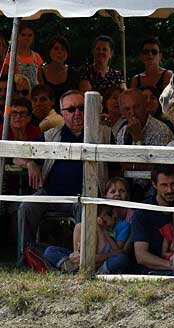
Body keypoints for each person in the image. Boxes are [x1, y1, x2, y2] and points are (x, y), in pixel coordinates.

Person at [15, 90, 111, 267]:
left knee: (86, 208)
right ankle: (25, 260)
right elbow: (15, 155)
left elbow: (117, 167)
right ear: (62, 113)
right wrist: (30, 163)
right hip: (50, 193)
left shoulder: (104, 133)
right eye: (71, 109)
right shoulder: (52, 134)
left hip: (82, 196)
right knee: (26, 207)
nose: (77, 113)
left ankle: (82, 262)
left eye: (82, 108)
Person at [43, 205, 129, 274]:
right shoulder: (80, 226)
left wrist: (104, 231)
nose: (105, 224)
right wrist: (75, 257)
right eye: (103, 220)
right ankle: (75, 269)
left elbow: (118, 252)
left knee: (122, 259)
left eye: (105, 221)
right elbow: (79, 255)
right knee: (50, 251)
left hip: (100, 263)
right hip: (84, 261)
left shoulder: (109, 231)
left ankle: (90, 272)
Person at [131, 164, 174, 273]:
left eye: (173, 184)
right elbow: (141, 256)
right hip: (154, 271)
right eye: (164, 185)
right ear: (154, 184)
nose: (169, 190)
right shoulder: (142, 212)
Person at [37, 36, 80, 112]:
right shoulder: (40, 71)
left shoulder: (73, 73)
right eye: (56, 49)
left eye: (63, 49)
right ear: (49, 51)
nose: (59, 52)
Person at [2, 23, 43, 87]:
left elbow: (40, 79)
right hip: (17, 93)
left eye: (29, 35)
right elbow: (5, 77)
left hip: (34, 93)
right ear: (17, 36)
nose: (26, 38)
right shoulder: (10, 56)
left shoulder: (36, 56)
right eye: (23, 35)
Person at [104, 176, 133, 254]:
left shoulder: (132, 215)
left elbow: (125, 249)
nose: (117, 194)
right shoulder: (102, 213)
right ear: (105, 196)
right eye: (113, 191)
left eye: (122, 191)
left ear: (127, 194)